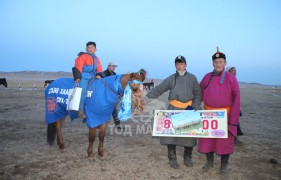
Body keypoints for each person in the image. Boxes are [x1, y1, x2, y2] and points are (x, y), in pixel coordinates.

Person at [144, 55, 202, 169]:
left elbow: (198, 93)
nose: (179, 66)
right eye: (177, 64)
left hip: (188, 109)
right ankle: (172, 158)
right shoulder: (172, 78)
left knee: (189, 136)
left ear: (185, 65)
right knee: (171, 135)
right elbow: (159, 88)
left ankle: (188, 157)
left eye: (181, 63)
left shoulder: (192, 78)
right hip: (174, 109)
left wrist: (195, 106)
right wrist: (146, 99)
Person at [198, 47, 240, 174]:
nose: (218, 64)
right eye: (216, 62)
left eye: (220, 62)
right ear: (212, 63)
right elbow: (199, 93)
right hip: (209, 115)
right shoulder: (207, 77)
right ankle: (209, 162)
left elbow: (236, 99)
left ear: (225, 63)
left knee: (224, 142)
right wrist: (194, 106)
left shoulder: (231, 79)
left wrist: (233, 120)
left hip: (225, 115)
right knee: (208, 140)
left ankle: (223, 166)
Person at [72, 41, 103, 118]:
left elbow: (99, 68)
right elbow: (78, 67)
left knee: (99, 90)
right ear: (86, 48)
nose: (90, 49)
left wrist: (99, 74)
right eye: (88, 47)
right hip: (84, 76)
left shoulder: (97, 58)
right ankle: (80, 110)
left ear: (95, 49)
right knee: (83, 92)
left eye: (92, 47)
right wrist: (78, 77)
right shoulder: (83, 57)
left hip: (93, 77)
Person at [226, 66, 244, 144]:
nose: (235, 72)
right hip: (227, 104)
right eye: (233, 70)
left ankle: (235, 135)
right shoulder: (227, 79)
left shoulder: (234, 79)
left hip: (234, 103)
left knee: (235, 119)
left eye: (235, 70)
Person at [103, 62, 123, 129]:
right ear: (108, 66)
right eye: (113, 66)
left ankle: (117, 124)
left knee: (114, 109)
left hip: (112, 94)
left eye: (115, 66)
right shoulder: (104, 73)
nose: (114, 67)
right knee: (106, 109)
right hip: (105, 94)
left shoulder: (114, 74)